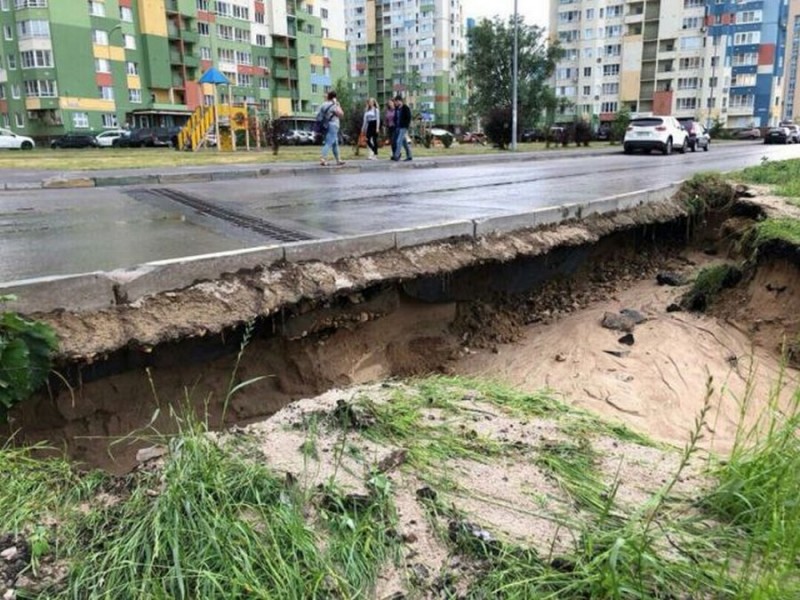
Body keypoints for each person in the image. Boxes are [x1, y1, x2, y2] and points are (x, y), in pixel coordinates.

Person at [318, 90, 345, 166]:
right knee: (329, 142)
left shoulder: (323, 105)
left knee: (335, 143)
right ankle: (323, 158)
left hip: (326, 125)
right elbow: (341, 114)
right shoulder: (334, 105)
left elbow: (319, 114)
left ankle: (338, 160)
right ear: (334, 97)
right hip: (333, 125)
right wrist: (337, 104)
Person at [391, 95, 412, 162]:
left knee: (399, 141)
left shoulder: (405, 108)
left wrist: (406, 125)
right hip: (397, 127)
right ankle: (409, 156)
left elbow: (408, 117)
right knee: (404, 142)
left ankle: (396, 156)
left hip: (403, 127)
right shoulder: (397, 108)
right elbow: (395, 117)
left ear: (399, 101)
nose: (395, 103)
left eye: (396, 101)